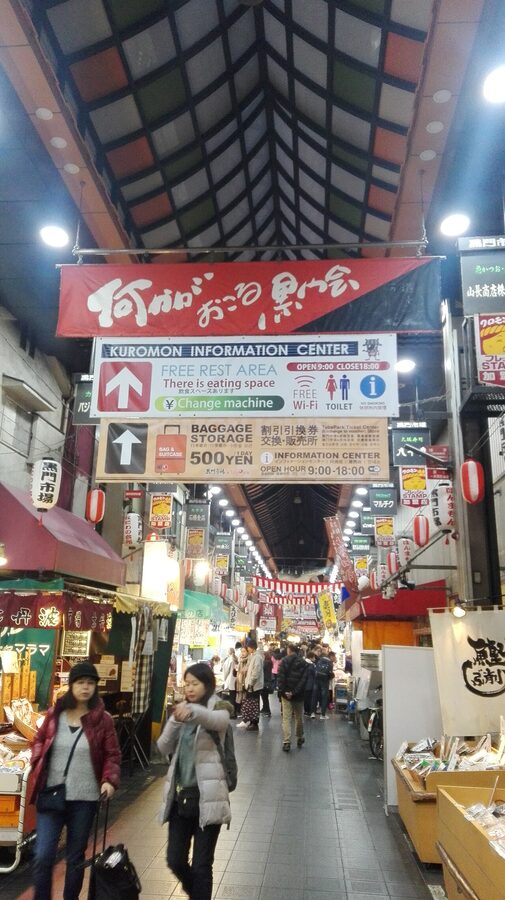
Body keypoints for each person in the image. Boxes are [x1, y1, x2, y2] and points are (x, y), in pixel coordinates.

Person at [30, 661, 121, 900]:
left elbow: (112, 754)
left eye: (90, 683)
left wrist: (109, 780)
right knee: (42, 855)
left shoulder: (103, 720)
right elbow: (38, 740)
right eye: (80, 682)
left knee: (75, 858)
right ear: (71, 685)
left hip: (85, 799)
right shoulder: (54, 714)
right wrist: (37, 761)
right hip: (52, 794)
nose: (85, 687)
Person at [157, 663, 232, 900]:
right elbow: (163, 747)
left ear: (207, 685)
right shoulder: (181, 713)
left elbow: (218, 721)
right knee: (175, 860)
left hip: (208, 798)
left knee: (202, 865)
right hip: (180, 799)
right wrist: (175, 720)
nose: (189, 688)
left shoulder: (219, 707)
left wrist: (191, 711)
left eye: (195, 683)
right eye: (186, 683)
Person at [277, 644, 308, 751]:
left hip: (286, 696)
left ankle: (286, 742)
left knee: (286, 718)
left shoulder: (283, 661)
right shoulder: (303, 663)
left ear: (289, 650)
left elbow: (280, 678)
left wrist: (285, 691)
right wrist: (294, 692)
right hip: (298, 695)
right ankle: (299, 737)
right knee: (299, 717)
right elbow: (303, 680)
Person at [242, 638, 263, 731]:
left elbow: (256, 672)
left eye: (248, 647)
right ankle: (251, 721)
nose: (248, 649)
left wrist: (250, 683)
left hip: (254, 686)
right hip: (251, 685)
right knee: (251, 704)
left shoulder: (257, 657)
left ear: (252, 647)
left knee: (254, 704)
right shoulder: (253, 656)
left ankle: (254, 723)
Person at [312, 646, 333, 720]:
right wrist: (330, 677)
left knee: (314, 696)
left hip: (316, 679)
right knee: (324, 697)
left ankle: (312, 713)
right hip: (325, 681)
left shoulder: (319, 660)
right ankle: (322, 715)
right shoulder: (329, 662)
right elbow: (330, 673)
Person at [235, 645, 250, 726]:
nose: (242, 653)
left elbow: (246, 672)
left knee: (245, 699)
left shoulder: (248, 660)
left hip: (244, 682)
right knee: (242, 699)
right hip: (240, 682)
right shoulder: (240, 660)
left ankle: (246, 718)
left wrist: (244, 682)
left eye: (244, 651)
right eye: (241, 651)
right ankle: (244, 715)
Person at [222, 646, 238, 717]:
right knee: (233, 697)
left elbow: (226, 671)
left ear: (229, 652)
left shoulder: (229, 659)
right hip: (235, 680)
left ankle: (232, 713)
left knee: (230, 698)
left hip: (230, 680)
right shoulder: (236, 658)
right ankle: (234, 712)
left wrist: (224, 679)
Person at [304, 651, 316, 716]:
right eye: (314, 657)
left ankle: (306, 711)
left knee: (306, 698)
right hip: (310, 683)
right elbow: (314, 674)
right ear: (311, 657)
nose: (315, 659)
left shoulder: (303, 663)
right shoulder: (311, 665)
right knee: (309, 698)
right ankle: (309, 711)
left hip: (304, 683)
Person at [261, 649, 273, 717]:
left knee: (264, 697)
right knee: (265, 697)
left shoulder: (266, 662)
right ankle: (264, 709)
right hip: (267, 681)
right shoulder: (269, 662)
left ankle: (267, 711)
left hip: (265, 681)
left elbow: (261, 669)